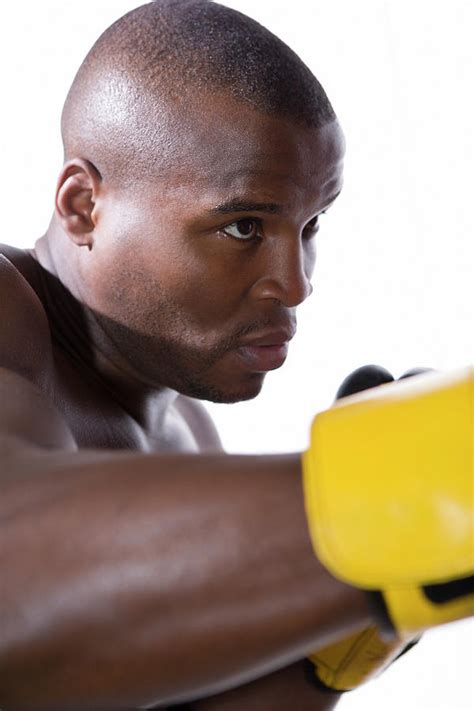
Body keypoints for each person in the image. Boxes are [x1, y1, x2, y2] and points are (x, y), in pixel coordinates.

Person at [1, 2, 472, 709]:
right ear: (82, 206)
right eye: (245, 225)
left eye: (309, 224)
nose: (297, 282)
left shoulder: (187, 426)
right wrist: (411, 486)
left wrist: (333, 652)